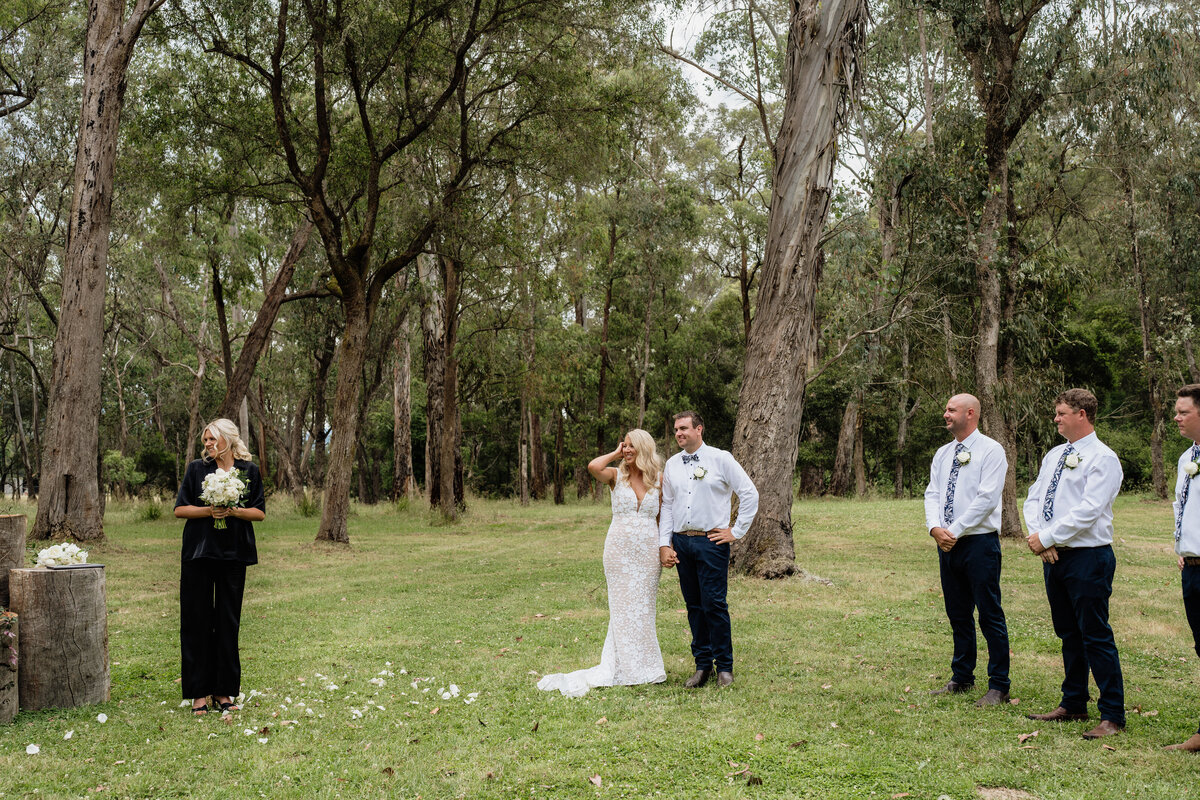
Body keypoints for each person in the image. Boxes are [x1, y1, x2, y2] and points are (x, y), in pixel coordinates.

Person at [1023, 388, 1125, 739]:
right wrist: (1040, 537)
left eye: (1062, 413)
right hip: (1054, 557)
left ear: (1082, 414)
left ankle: (1112, 714)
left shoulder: (1103, 457)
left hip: (1088, 556)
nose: (1056, 418)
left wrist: (1048, 537)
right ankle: (1074, 702)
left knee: (1095, 634)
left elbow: (1090, 509)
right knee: (1068, 632)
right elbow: (1034, 497)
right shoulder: (1053, 455)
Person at [538, 429, 667, 696]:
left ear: (645, 448)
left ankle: (646, 667)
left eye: (632, 446)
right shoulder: (615, 476)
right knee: (622, 609)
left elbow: (661, 518)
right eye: (625, 445)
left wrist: (665, 547)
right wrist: (617, 453)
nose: (628, 450)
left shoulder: (659, 480)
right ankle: (624, 668)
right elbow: (593, 466)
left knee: (643, 608)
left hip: (647, 551)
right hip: (619, 551)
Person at [658, 411, 758, 688]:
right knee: (693, 605)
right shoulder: (672, 464)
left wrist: (735, 531)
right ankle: (702, 666)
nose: (679, 433)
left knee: (714, 603)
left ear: (699, 429)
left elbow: (749, 493)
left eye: (684, 428)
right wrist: (664, 543)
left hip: (711, 542)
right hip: (682, 543)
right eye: (676, 429)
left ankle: (725, 667)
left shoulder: (720, 458)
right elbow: (666, 505)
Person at [924, 394, 1011, 707]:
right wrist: (935, 527)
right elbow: (932, 493)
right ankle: (961, 676)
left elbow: (987, 498)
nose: (945, 413)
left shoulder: (991, 450)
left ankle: (999, 685)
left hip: (978, 543)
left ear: (970, 413)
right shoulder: (944, 453)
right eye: (946, 408)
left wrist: (955, 532)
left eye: (951, 409)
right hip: (946, 544)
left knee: (989, 613)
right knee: (957, 613)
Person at [174, 418, 265, 716]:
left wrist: (233, 511)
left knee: (228, 623)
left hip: (233, 555)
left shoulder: (249, 471)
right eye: (205, 442)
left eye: (212, 440)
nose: (208, 446)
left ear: (228, 439)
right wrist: (209, 510)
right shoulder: (196, 469)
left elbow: (259, 513)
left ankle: (224, 691)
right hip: (199, 554)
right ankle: (198, 693)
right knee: (196, 622)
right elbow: (179, 509)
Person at [1165, 384, 1200, 751]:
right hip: (1191, 568)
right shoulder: (1185, 457)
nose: (1176, 417)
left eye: (1183, 411)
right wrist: (1182, 545)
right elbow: (1180, 504)